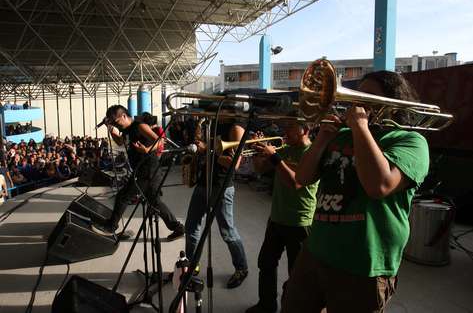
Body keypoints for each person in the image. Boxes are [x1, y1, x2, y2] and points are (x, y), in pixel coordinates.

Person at [281, 71, 430, 313]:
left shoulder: (410, 141)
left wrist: (361, 127)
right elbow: (303, 178)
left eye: (368, 96)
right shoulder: (340, 134)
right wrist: (321, 140)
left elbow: (379, 186)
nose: (357, 102)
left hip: (364, 265)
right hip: (316, 251)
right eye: (357, 94)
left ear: (392, 103)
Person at [247, 122, 319, 313]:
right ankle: (266, 305)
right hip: (277, 218)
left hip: (300, 222)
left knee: (296, 274)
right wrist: (256, 151)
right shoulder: (285, 149)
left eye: (290, 127)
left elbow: (296, 183)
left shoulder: (312, 154)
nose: (284, 131)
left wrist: (276, 158)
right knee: (266, 264)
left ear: (305, 129)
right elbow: (260, 169)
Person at [91, 105, 184, 241]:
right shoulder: (126, 130)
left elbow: (160, 141)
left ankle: (111, 226)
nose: (117, 125)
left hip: (148, 169)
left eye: (116, 122)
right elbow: (121, 141)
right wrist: (111, 129)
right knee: (155, 202)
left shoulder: (139, 126)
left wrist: (147, 149)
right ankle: (178, 228)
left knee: (123, 196)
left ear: (123, 116)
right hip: (141, 169)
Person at [185, 118, 249, 289]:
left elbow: (233, 164)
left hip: (221, 187)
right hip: (203, 184)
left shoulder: (235, 128)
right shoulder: (211, 124)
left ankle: (242, 268)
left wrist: (207, 150)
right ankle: (191, 266)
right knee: (191, 227)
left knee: (227, 231)